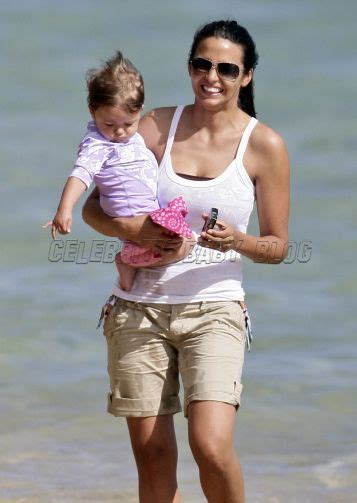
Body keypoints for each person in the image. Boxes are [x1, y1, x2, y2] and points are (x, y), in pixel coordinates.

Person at [82, 19, 290, 503]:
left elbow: (278, 246)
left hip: (215, 309)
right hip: (138, 309)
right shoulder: (153, 126)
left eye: (226, 68)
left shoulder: (265, 146)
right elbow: (94, 208)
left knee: (211, 447)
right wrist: (135, 230)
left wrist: (237, 241)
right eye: (202, 64)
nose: (211, 76)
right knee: (153, 457)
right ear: (189, 68)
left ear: (247, 76)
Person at [43, 51, 194, 291]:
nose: (119, 132)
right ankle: (127, 261)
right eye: (109, 124)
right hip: (129, 213)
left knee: (180, 236)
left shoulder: (134, 138)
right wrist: (64, 210)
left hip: (147, 209)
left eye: (128, 123)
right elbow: (81, 174)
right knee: (183, 243)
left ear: (140, 110)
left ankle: (130, 260)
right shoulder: (97, 145)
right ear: (93, 111)